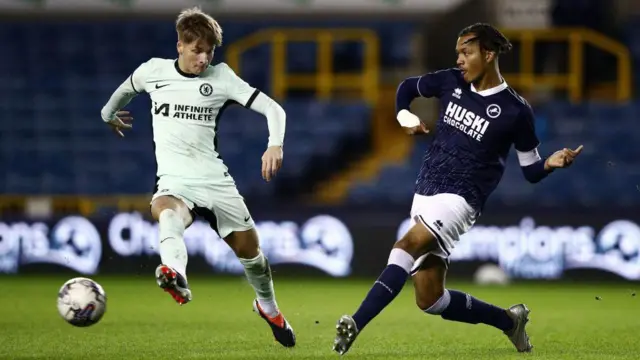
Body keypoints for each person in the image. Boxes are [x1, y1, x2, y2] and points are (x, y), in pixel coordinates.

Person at [332, 23, 583, 355]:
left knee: (406, 245)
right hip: (426, 188)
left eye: (467, 52)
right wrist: (403, 115)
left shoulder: (516, 111)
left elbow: (531, 170)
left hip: (461, 198)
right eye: (458, 54)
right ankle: (509, 322)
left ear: (488, 54)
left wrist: (550, 163)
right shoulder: (450, 81)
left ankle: (356, 323)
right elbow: (406, 88)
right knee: (430, 298)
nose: (460, 60)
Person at [100, 7, 295, 348]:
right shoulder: (153, 72)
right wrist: (109, 115)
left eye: (209, 51)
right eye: (196, 50)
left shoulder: (222, 78)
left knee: (253, 256)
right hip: (175, 181)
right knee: (167, 212)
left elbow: (273, 109)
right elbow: (119, 96)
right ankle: (176, 276)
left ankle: (269, 308)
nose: (203, 58)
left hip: (215, 182)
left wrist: (274, 145)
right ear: (180, 45)